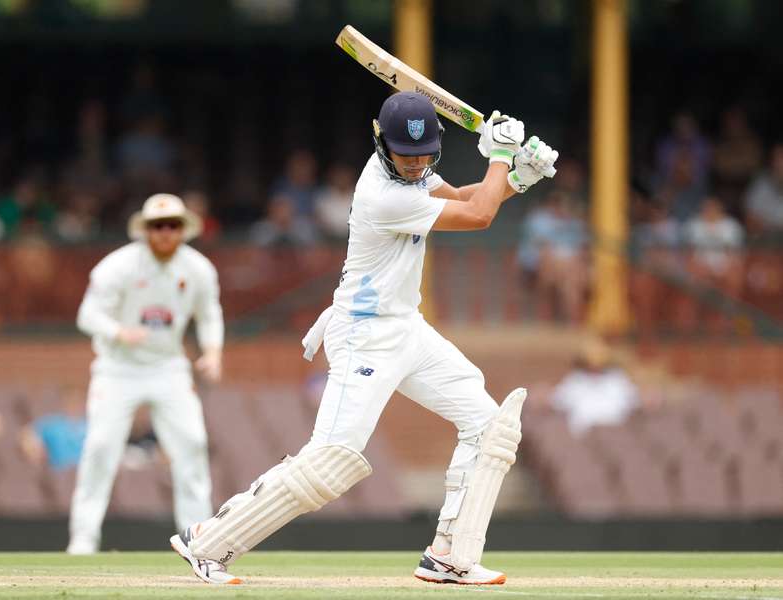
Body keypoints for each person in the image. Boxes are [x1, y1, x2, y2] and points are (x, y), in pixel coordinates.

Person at [170, 92, 558, 585]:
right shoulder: (382, 194)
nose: (417, 166)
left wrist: (518, 175)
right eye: (406, 155)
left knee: (489, 425)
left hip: (406, 328)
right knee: (332, 460)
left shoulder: (411, 176)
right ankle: (206, 541)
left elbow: (465, 199)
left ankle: (450, 557)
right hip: (364, 337)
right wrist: (502, 156)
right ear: (382, 146)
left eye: (424, 156)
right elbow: (478, 216)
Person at [67, 193, 224, 554]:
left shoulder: (198, 269)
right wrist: (118, 332)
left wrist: (213, 352)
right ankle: (83, 539)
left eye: (173, 226)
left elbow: (209, 314)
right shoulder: (118, 267)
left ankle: (199, 540)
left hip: (168, 366)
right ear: (146, 230)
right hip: (117, 367)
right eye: (158, 226)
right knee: (101, 447)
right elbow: (87, 315)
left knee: (192, 445)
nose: (165, 233)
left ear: (184, 230)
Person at [550, 339, 640, 436]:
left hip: (614, 431)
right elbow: (557, 399)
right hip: (584, 432)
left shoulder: (617, 379)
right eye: (590, 363)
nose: (595, 367)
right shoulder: (575, 380)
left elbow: (635, 399)